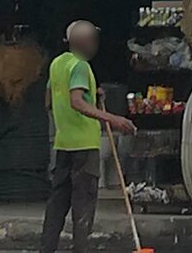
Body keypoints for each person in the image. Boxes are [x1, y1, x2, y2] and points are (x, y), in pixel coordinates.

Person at [40, 20, 136, 253]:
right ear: (86, 43)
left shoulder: (57, 63)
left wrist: (91, 94)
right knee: (83, 204)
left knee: (57, 203)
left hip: (63, 144)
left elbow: (49, 101)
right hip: (84, 146)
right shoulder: (80, 66)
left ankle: (46, 249)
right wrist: (112, 118)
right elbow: (76, 101)